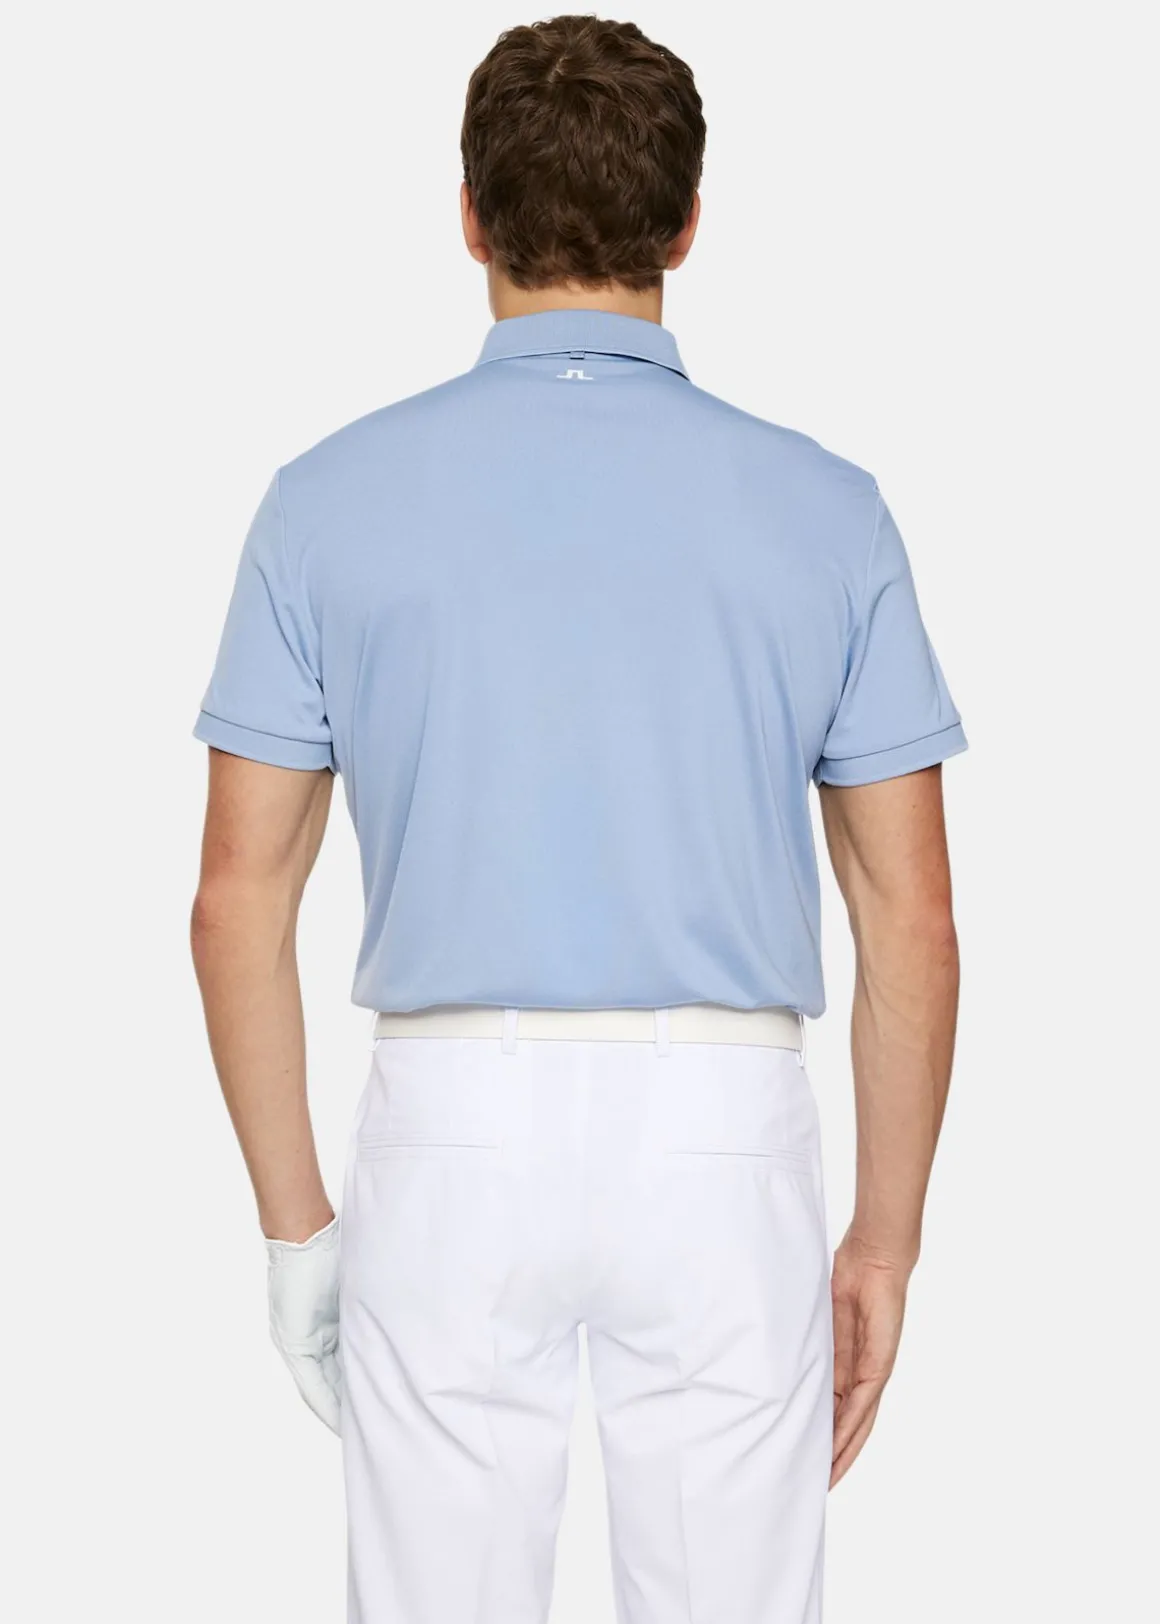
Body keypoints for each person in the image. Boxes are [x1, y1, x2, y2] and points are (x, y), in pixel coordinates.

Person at [191, 15, 964, 1624]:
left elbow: (237, 900)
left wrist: (296, 1230)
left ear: (470, 218)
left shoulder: (325, 501)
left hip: (450, 1124)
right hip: (723, 1129)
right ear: (687, 225)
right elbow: (910, 916)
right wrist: (883, 1241)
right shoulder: (829, 510)